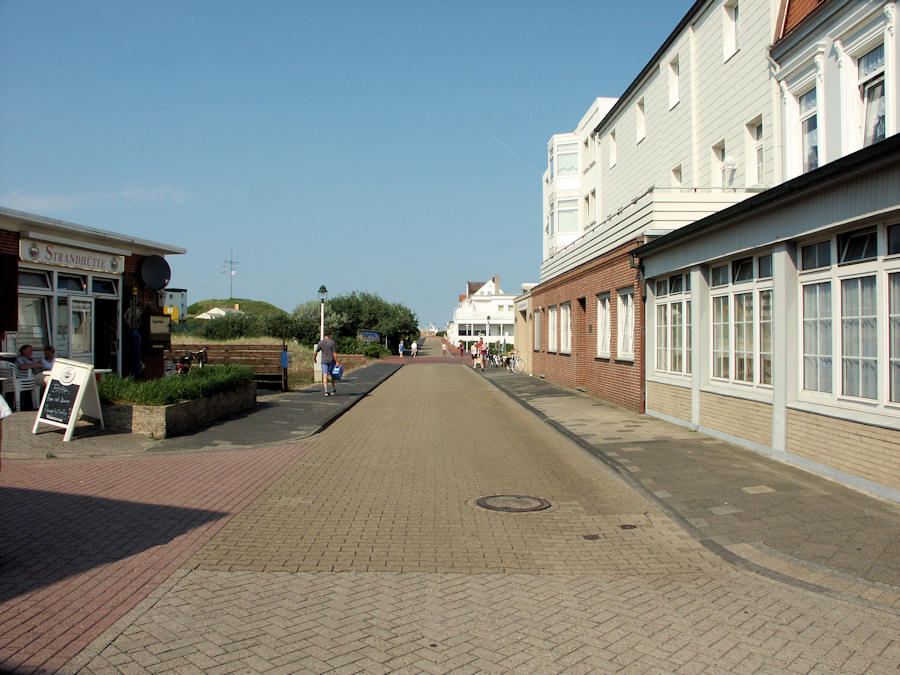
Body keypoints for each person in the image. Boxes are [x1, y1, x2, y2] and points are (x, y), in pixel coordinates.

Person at [314, 332, 341, 396]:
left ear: (324, 336)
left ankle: (326, 391)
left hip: (324, 361)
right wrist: (337, 362)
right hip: (331, 361)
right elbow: (334, 353)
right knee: (332, 375)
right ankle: (333, 389)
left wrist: (314, 358)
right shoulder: (332, 342)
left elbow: (316, 352)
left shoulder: (320, 342)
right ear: (329, 335)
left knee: (324, 375)